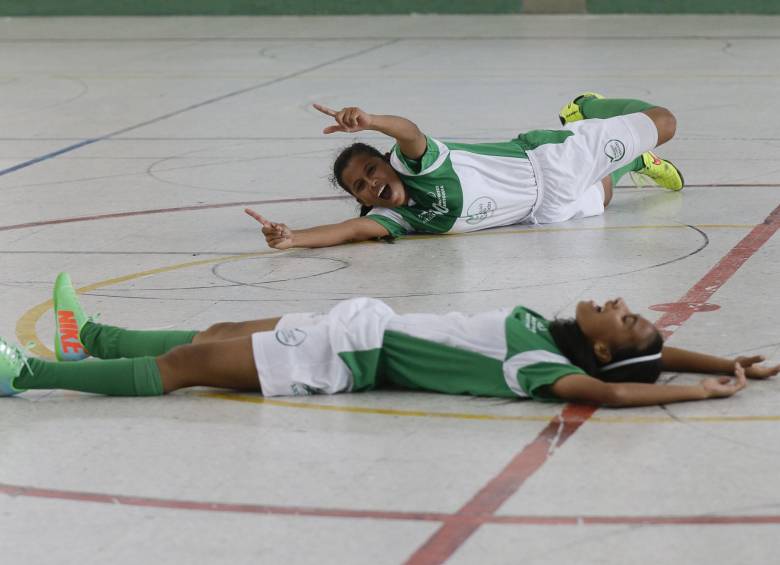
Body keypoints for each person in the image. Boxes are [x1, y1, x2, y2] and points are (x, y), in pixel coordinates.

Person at [2, 273, 777, 407]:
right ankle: (90, 339)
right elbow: (643, 358)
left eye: (628, 316)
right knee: (219, 331)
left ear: (604, 347)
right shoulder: (558, 331)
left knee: (185, 368)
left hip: (343, 357)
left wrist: (707, 395)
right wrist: (722, 359)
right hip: (355, 324)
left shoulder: (541, 363)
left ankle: (29, 375)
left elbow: (610, 388)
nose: (622, 303)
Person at [245, 93, 685, 250]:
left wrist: (372, 120)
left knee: (663, 122)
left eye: (372, 170)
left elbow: (410, 131)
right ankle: (637, 160)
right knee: (603, 195)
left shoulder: (416, 162)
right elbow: (347, 232)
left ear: (388, 163)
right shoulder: (397, 218)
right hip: (542, 211)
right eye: (361, 187)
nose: (372, 183)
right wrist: (292, 239)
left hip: (548, 161)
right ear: (362, 200)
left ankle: (586, 109)